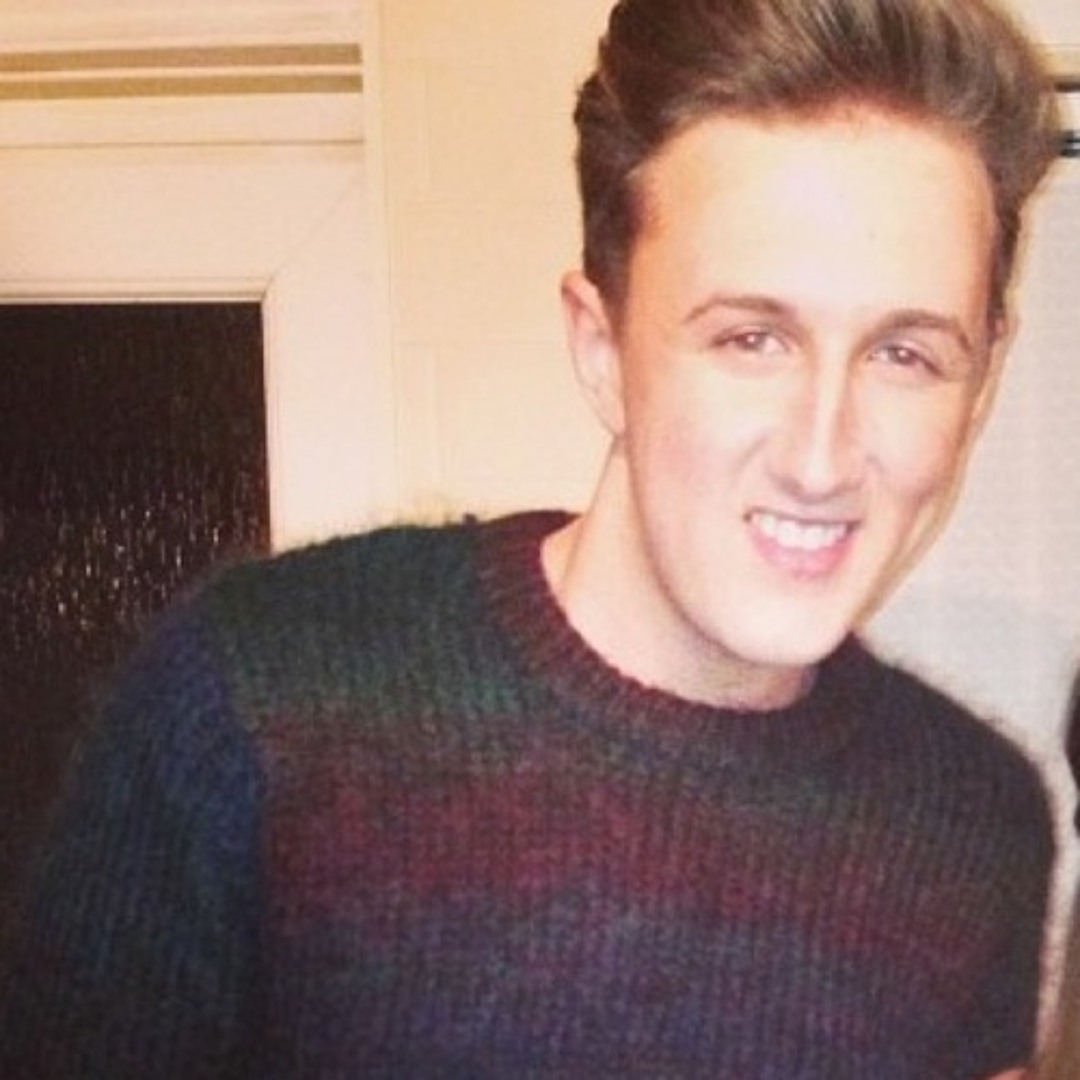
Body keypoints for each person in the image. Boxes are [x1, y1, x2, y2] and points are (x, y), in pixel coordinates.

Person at [0, 0, 1062, 1075]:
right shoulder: (254, 700)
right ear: (601, 349)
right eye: (751, 339)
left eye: (906, 356)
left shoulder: (978, 825)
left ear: (978, 386)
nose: (821, 458)